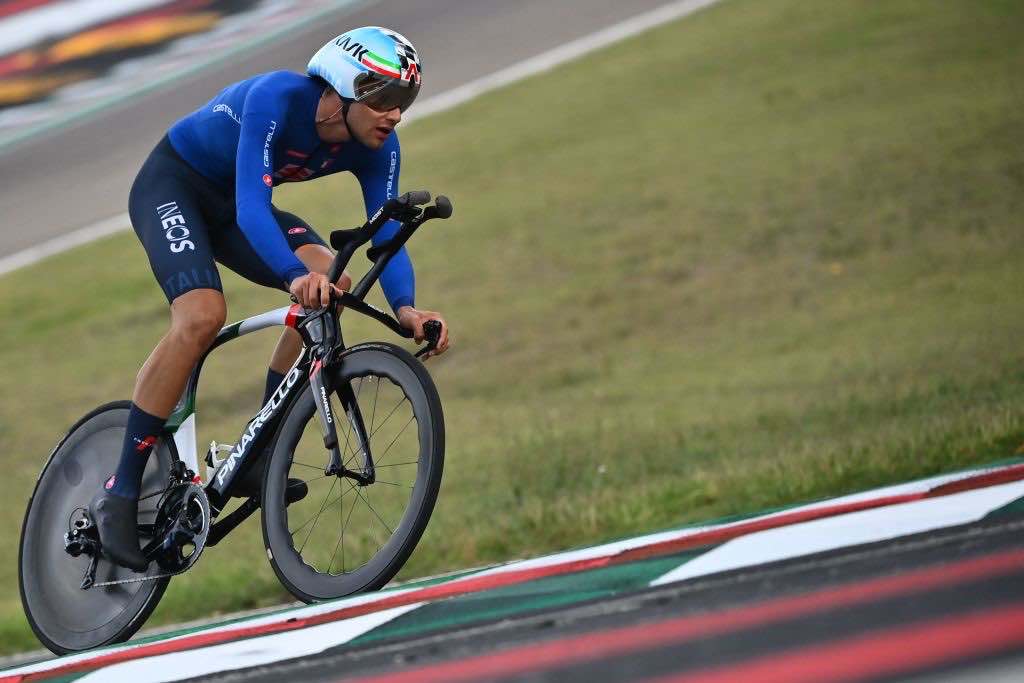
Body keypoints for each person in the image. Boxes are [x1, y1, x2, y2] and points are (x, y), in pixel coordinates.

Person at [88, 26, 450, 571]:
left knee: (333, 281)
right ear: (344, 89)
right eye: (386, 98)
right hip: (175, 187)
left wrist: (407, 309)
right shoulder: (277, 99)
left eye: (406, 102)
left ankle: (256, 453)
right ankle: (120, 491)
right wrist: (288, 274)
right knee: (203, 313)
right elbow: (252, 208)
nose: (396, 115)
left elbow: (384, 235)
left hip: (236, 205)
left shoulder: (378, 146)